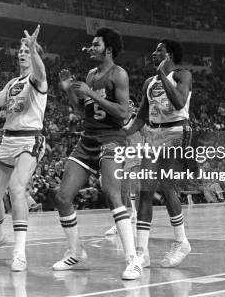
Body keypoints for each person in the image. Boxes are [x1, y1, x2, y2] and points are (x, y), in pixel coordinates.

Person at [54, 27, 142, 280]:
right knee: (62, 198)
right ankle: (76, 251)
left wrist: (91, 94)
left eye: (95, 44)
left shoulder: (119, 74)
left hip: (112, 139)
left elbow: (124, 112)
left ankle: (133, 260)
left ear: (108, 49)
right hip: (87, 139)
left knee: (112, 194)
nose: (91, 48)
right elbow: (83, 110)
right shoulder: (91, 74)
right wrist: (69, 88)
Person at [0, 25, 47, 272]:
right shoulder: (13, 83)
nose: (22, 53)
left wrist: (36, 50)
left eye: (27, 50)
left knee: (17, 189)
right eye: (20, 49)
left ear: (35, 54)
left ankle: (19, 251)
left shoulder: (37, 79)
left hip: (30, 139)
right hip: (8, 139)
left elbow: (41, 70)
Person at [126, 39, 194, 268]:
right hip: (154, 134)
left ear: (170, 54)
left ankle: (181, 241)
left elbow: (178, 102)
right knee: (146, 191)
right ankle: (142, 251)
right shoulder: (149, 82)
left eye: (159, 50)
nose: (154, 53)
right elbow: (141, 117)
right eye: (154, 49)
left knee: (166, 187)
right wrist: (122, 132)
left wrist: (164, 76)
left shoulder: (182, 75)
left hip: (177, 130)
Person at [104, 100, 142, 236]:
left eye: (130, 109)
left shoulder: (139, 121)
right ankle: (119, 223)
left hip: (138, 158)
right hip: (125, 159)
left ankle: (137, 217)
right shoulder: (118, 124)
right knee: (121, 192)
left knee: (136, 188)